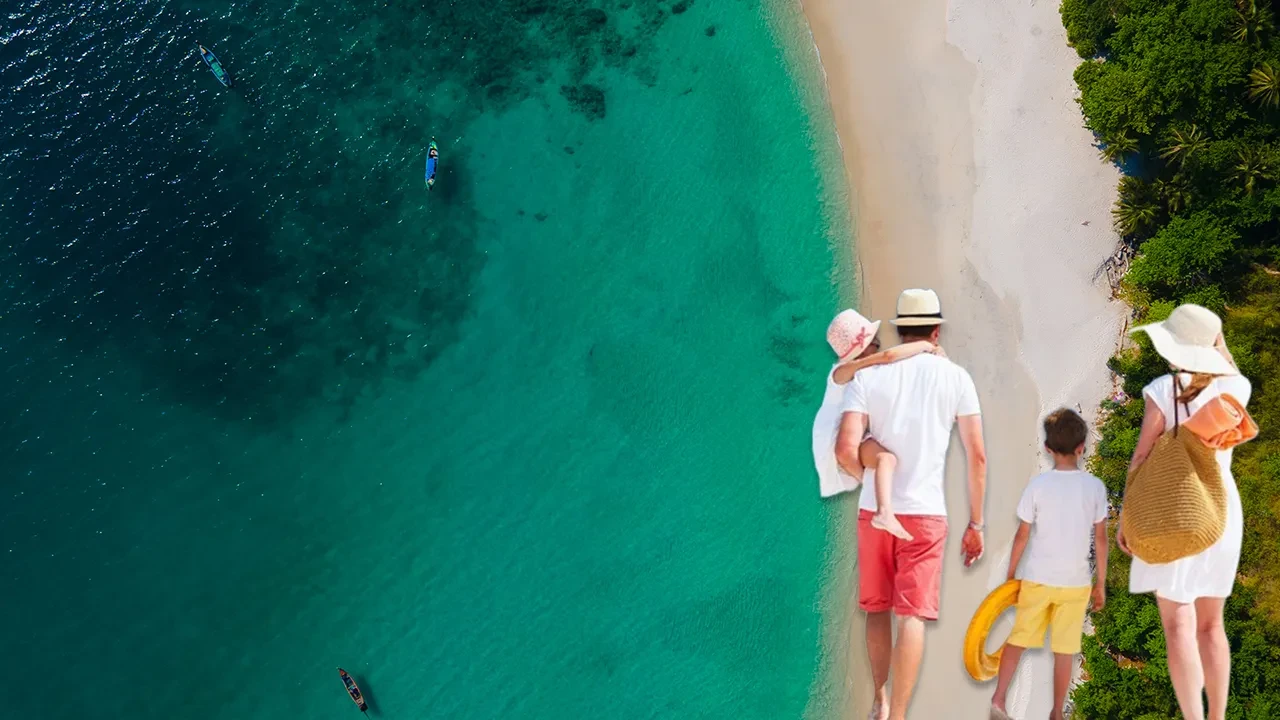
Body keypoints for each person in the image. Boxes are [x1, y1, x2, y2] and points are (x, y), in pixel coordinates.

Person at [834, 288, 987, 720]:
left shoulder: (867, 376)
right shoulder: (956, 377)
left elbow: (846, 451)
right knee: (913, 617)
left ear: (900, 330)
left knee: (876, 609)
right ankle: (899, 714)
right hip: (925, 515)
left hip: (873, 513)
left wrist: (868, 475)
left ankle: (879, 698)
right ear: (936, 330)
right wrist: (976, 523)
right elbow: (977, 456)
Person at [1118, 304, 1250, 720]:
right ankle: (1218, 716)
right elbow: (1227, 366)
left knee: (1178, 628)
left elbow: (1140, 456)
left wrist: (1126, 515)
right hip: (1221, 512)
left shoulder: (1162, 389)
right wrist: (1216, 341)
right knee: (1212, 627)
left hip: (1171, 509)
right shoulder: (1237, 388)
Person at [990, 408, 1108, 720]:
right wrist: (1101, 584)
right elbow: (1101, 540)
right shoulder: (1095, 488)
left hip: (1038, 578)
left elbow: (1022, 535)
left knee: (1019, 639)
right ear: (1082, 448)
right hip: (1075, 582)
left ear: (1048, 449)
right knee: (1064, 650)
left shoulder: (1038, 486)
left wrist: (1010, 574)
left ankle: (999, 700)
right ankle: (1056, 711)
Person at [813, 308, 946, 540]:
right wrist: (927, 346)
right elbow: (888, 357)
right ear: (863, 347)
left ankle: (884, 510)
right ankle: (884, 511)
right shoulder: (840, 373)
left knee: (887, 461)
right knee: (886, 460)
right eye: (875, 341)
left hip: (846, 437)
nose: (879, 344)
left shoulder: (860, 375)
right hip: (832, 441)